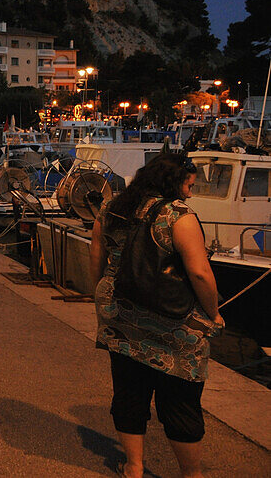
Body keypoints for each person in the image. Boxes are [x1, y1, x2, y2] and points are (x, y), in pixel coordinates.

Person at [89, 153, 224, 478]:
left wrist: (102, 297)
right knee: (179, 401)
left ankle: (133, 466)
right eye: (188, 185)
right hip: (172, 323)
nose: (190, 193)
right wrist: (214, 313)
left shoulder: (112, 208)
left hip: (119, 315)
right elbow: (201, 274)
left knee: (129, 393)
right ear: (172, 181)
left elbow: (97, 255)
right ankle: (192, 474)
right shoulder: (178, 216)